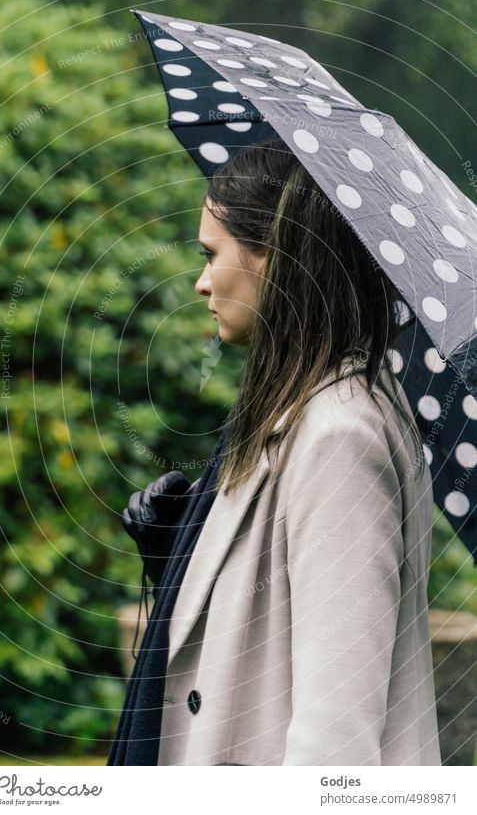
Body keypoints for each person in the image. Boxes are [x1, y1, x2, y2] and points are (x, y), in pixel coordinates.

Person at [109, 136, 441, 766]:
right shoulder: (297, 411)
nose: (203, 282)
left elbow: (334, 741)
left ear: (275, 259)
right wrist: (185, 554)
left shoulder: (340, 436)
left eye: (212, 255)